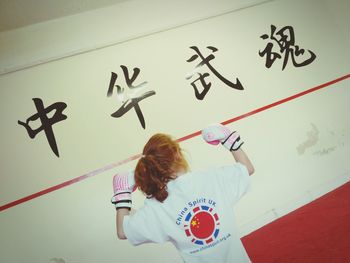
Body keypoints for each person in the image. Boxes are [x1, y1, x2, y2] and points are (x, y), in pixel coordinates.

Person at [111, 123, 255, 262]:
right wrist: (229, 140)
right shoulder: (212, 179)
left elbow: (123, 231)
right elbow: (247, 168)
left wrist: (122, 196)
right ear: (179, 155)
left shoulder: (156, 206)